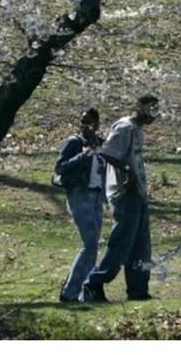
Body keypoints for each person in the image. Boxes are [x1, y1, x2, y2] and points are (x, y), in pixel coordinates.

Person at [82, 95, 158, 302]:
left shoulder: (137, 130)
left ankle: (138, 291)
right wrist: (128, 171)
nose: (155, 115)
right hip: (124, 193)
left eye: (157, 110)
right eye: (151, 109)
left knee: (141, 247)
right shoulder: (124, 127)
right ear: (139, 108)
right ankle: (93, 284)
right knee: (121, 244)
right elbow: (106, 152)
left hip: (138, 193)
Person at [55, 107, 107, 303]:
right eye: (82, 122)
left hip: (96, 195)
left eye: (90, 122)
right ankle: (69, 292)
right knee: (89, 244)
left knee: (93, 246)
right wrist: (81, 157)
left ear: (97, 124)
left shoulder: (102, 144)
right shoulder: (74, 143)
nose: (86, 126)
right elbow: (60, 167)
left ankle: (87, 292)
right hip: (79, 194)